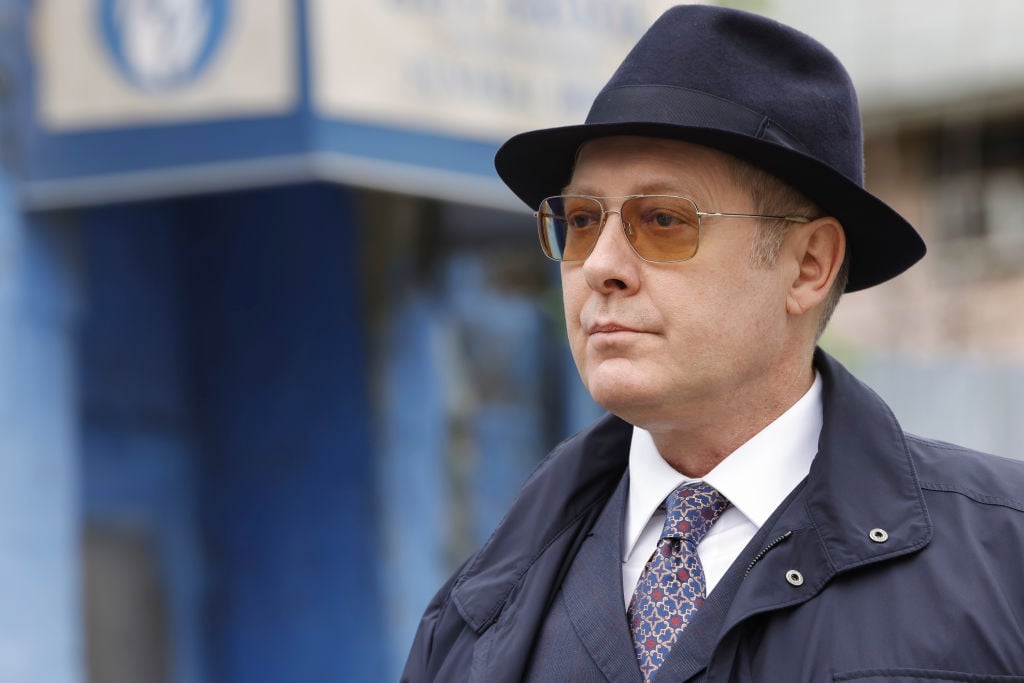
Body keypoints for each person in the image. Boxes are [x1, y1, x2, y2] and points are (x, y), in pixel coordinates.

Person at [402, 5, 1024, 682]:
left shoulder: (1001, 558)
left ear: (808, 264)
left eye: (664, 219)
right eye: (581, 220)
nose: (601, 264)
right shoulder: (480, 610)